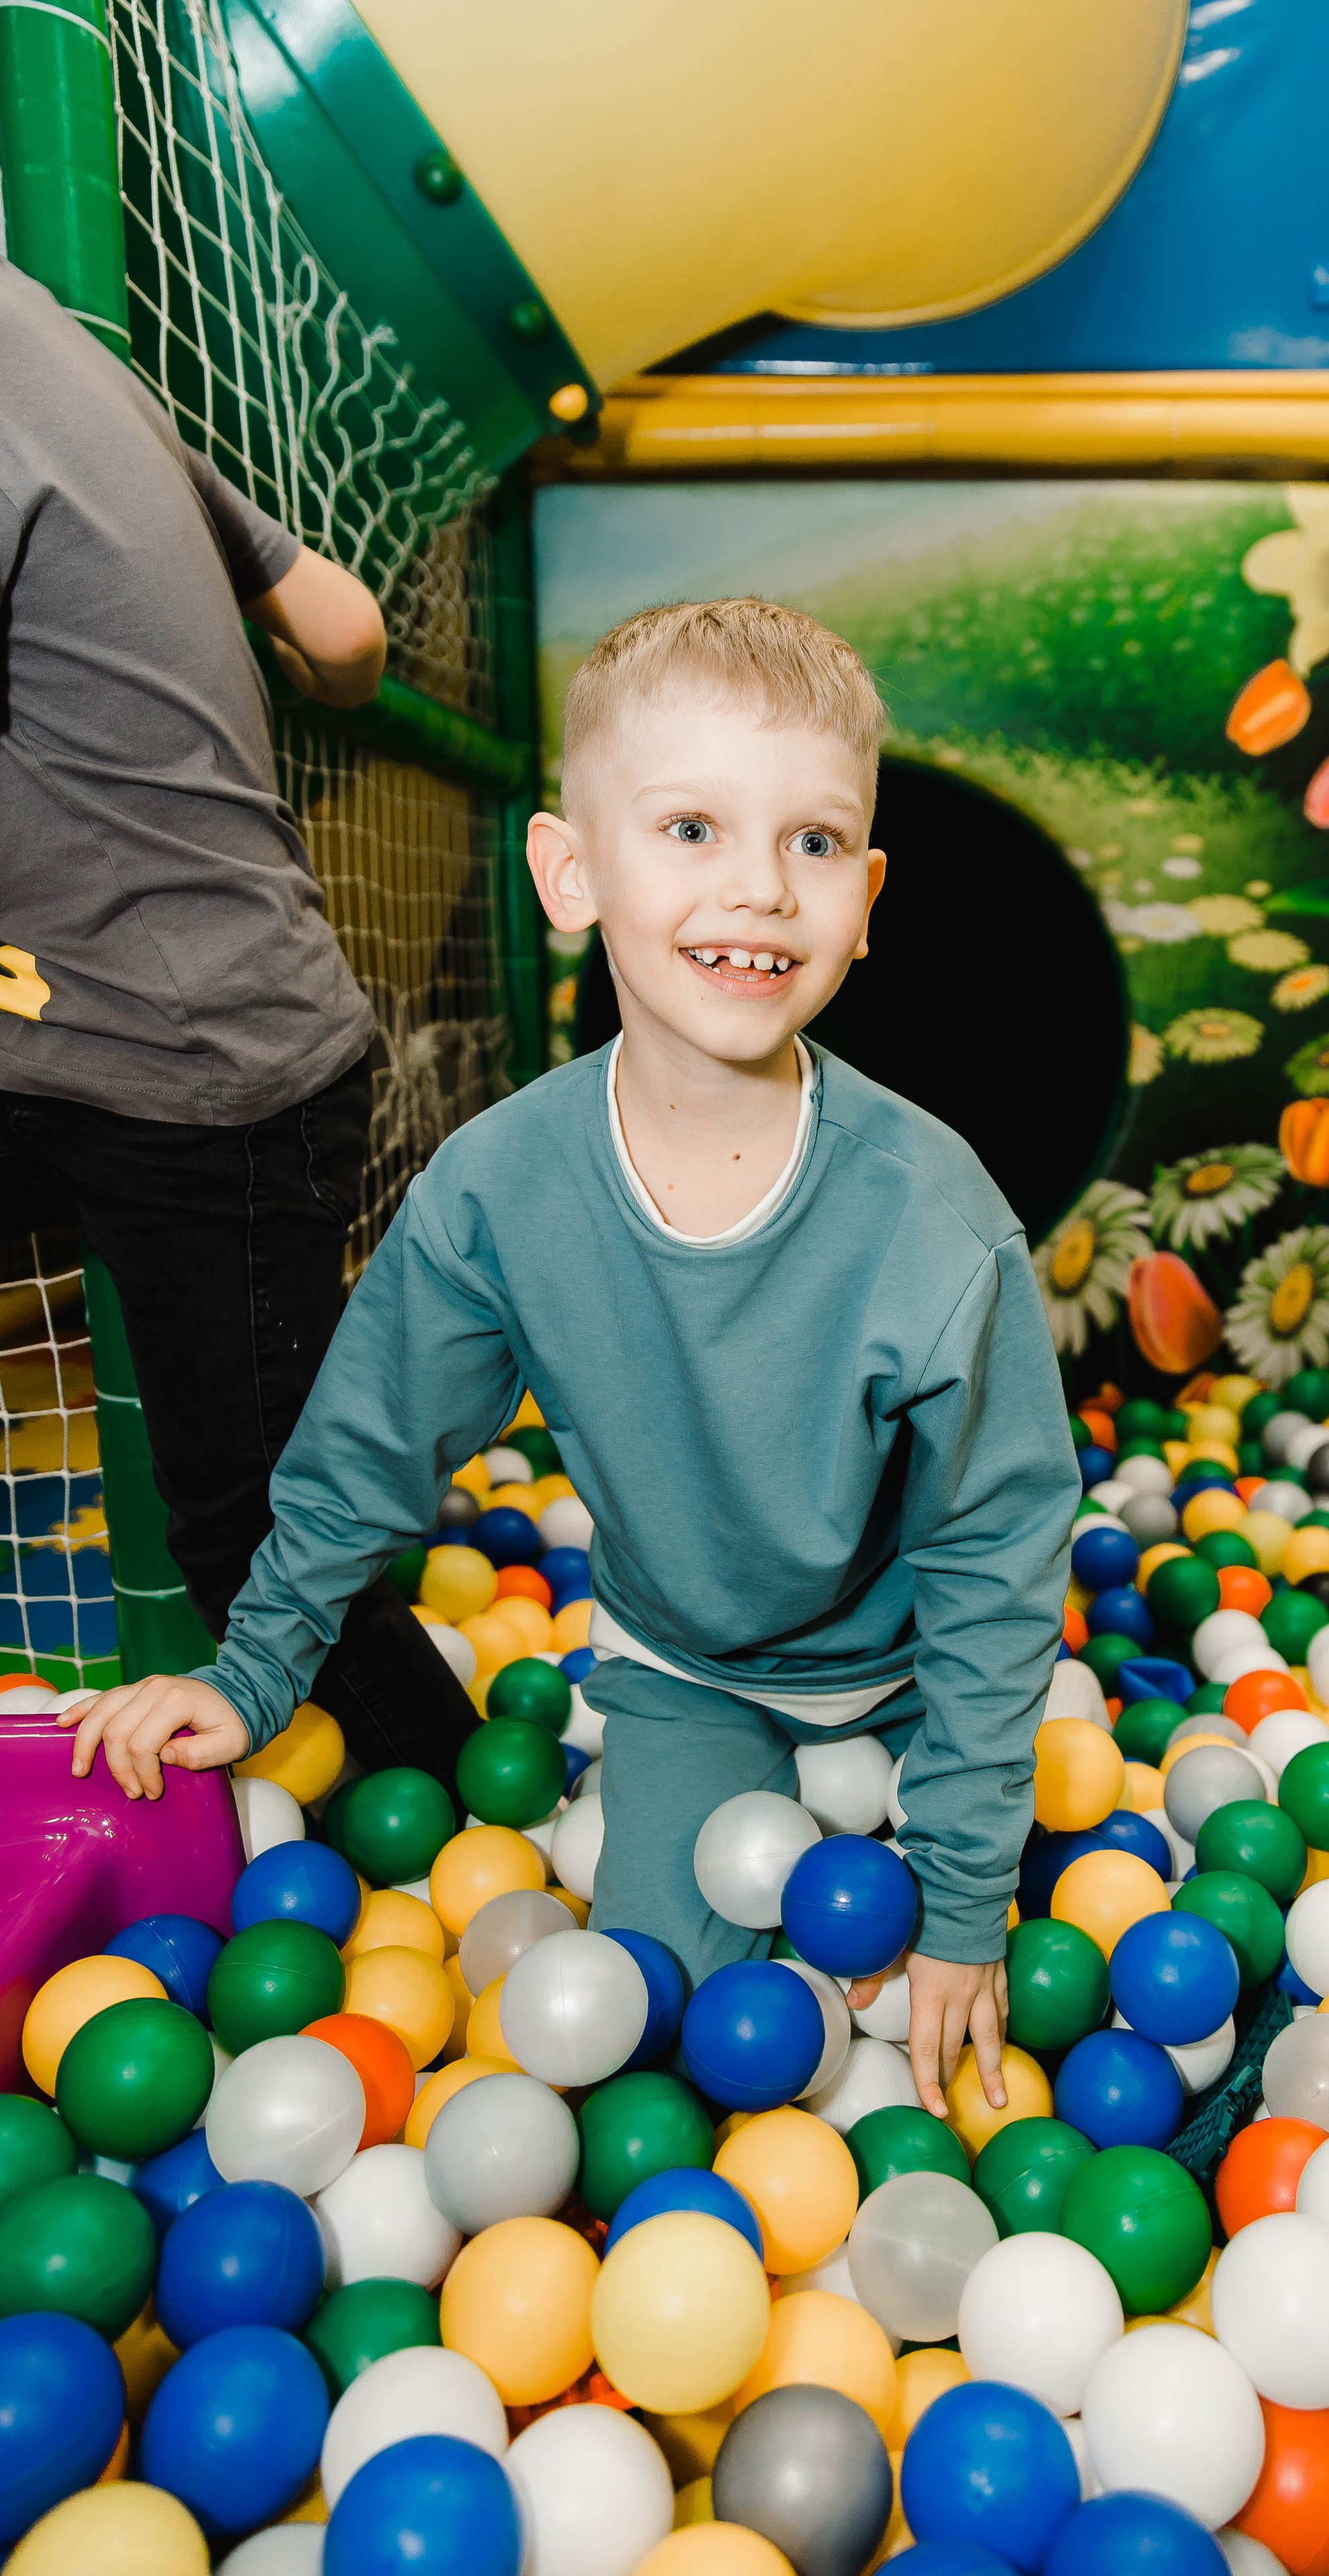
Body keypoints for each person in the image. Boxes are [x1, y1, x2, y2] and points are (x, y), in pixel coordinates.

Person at [67, 597, 1079, 2118]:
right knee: (662, 2033)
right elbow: (367, 1443)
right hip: (690, 1676)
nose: (759, 887)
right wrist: (258, 1668)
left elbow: (997, 1552)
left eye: (812, 842)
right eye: (690, 828)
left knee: (955, 2029)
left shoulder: (930, 1219)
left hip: (910, 1677)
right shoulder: (498, 1190)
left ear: (865, 898)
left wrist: (959, 1890)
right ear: (569, 872)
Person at [0, 255, 477, 1794]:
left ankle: (460, 1814)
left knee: (254, 1535)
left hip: (200, 1077)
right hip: (121, 1045)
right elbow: (344, 633)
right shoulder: (56, 346)